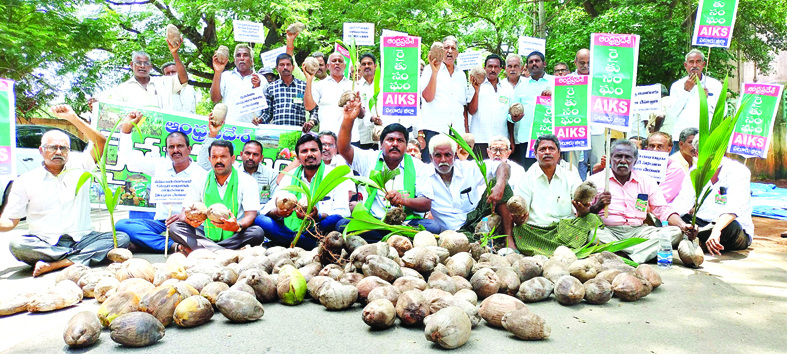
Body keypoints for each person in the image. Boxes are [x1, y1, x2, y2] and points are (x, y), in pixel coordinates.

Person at [0, 105, 130, 277]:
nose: (58, 152)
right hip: (46, 243)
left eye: (64, 148)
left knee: (121, 238)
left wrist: (73, 119)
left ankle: (55, 265)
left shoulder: (80, 165)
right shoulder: (25, 181)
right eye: (53, 147)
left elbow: (101, 143)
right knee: (17, 245)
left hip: (83, 239)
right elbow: (11, 220)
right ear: (42, 151)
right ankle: (78, 259)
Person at [337, 96, 440, 241]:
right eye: (390, 140)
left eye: (400, 141)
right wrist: (348, 120)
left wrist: (404, 200)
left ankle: (382, 239)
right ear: (381, 143)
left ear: (406, 145)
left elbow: (426, 203)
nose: (395, 144)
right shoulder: (369, 159)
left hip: (405, 223)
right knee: (341, 225)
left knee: (432, 226)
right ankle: (393, 239)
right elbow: (343, 149)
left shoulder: (417, 166)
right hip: (373, 221)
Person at [586, 140, 696, 263]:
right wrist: (598, 205)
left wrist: (683, 226)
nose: (623, 161)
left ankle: (622, 254)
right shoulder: (594, 181)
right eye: (618, 156)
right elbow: (581, 214)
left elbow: (662, 209)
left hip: (638, 231)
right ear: (610, 159)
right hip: (608, 231)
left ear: (635, 161)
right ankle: (639, 254)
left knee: (676, 231)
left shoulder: (646, 181)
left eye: (628, 157)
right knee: (592, 234)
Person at [115, 111, 207, 252]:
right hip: (161, 223)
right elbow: (128, 158)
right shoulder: (160, 166)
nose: (175, 150)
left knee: (196, 232)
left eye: (180, 146)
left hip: (187, 225)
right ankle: (172, 246)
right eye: (171, 147)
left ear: (189, 149)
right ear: (166, 150)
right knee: (122, 224)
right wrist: (126, 130)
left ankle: (149, 243)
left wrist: (185, 217)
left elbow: (203, 209)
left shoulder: (200, 174)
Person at [255, 134, 354, 249]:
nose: (309, 154)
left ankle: (290, 242)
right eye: (304, 151)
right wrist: (277, 212)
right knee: (261, 220)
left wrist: (318, 216)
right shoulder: (289, 177)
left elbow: (344, 212)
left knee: (335, 220)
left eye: (313, 150)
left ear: (321, 154)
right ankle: (306, 243)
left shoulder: (334, 176)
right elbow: (267, 209)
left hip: (319, 228)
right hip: (291, 230)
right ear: (298, 157)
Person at [510, 134, 602, 255]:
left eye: (551, 149)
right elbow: (521, 209)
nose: (547, 152)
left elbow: (580, 205)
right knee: (519, 230)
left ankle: (548, 252)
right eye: (542, 149)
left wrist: (584, 209)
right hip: (535, 231)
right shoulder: (526, 178)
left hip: (565, 229)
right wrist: (519, 218)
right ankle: (569, 251)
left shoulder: (570, 176)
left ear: (559, 153)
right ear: (535, 154)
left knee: (591, 219)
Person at [169, 140, 264, 253]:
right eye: (214, 157)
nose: (218, 161)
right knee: (175, 228)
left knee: (257, 232)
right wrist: (190, 221)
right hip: (205, 231)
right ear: (210, 159)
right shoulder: (200, 180)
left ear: (232, 159)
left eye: (223, 157)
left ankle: (203, 249)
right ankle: (225, 252)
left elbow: (251, 215)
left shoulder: (248, 181)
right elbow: (183, 213)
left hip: (235, 232)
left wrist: (237, 225)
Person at [426, 134, 514, 243]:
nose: (443, 160)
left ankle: (509, 240)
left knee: (499, 181)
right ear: (430, 157)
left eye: (447, 155)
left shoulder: (468, 168)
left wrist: (499, 186)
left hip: (477, 219)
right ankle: (489, 241)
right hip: (455, 232)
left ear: (454, 156)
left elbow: (503, 166)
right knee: (466, 242)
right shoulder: (424, 176)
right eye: (438, 155)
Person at [672, 156, 753, 255]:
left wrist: (716, 230)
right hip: (700, 224)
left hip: (727, 228)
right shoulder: (695, 171)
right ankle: (695, 238)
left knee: (732, 227)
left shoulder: (738, 171)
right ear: (697, 153)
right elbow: (682, 204)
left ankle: (690, 238)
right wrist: (680, 223)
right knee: (675, 217)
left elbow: (735, 207)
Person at [198, 120, 278, 206]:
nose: (250, 157)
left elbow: (273, 200)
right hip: (235, 212)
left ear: (261, 158)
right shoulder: (232, 170)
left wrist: (257, 212)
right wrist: (212, 134)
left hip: (261, 215)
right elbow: (203, 165)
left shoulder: (271, 174)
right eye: (247, 153)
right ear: (241, 154)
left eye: (255, 154)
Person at [419, 35, 472, 163]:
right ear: (441, 51)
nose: (449, 51)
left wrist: (465, 132)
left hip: (456, 131)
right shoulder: (429, 70)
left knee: (453, 168)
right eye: (446, 48)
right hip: (434, 128)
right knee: (431, 168)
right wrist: (435, 72)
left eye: (453, 48)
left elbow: (463, 105)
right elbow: (427, 97)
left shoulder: (461, 75)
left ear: (457, 54)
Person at [103, 38, 188, 110]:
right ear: (132, 65)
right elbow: (115, 113)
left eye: (146, 63)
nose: (142, 66)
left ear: (151, 67)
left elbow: (183, 79)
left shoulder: (163, 82)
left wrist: (175, 53)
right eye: (138, 63)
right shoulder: (122, 89)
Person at [666, 49, 722, 152]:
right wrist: (686, 91)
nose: (694, 65)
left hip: (706, 136)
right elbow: (671, 113)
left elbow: (722, 112)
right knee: (679, 167)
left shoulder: (715, 85)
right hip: (681, 138)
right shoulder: (677, 86)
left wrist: (706, 100)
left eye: (698, 61)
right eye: (691, 62)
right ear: (685, 65)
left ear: (703, 64)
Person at [510, 51, 553, 169]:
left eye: (537, 61)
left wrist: (554, 96)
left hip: (551, 138)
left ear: (544, 63)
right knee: (530, 174)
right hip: (528, 139)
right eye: (530, 62)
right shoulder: (521, 87)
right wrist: (514, 117)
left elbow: (565, 105)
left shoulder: (555, 83)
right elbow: (511, 113)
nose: (534, 64)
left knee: (551, 173)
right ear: (527, 66)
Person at [468, 54, 514, 160]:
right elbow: (471, 110)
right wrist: (476, 90)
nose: (492, 70)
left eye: (496, 67)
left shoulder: (507, 88)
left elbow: (510, 117)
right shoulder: (475, 85)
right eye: (490, 66)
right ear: (485, 68)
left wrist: (511, 139)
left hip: (501, 141)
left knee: (499, 174)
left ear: (501, 69)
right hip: (480, 139)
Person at [304, 52, 357, 143]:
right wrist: (309, 79)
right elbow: (309, 106)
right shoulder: (319, 85)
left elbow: (362, 113)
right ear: (328, 66)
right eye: (334, 61)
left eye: (340, 61)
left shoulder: (353, 85)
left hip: (351, 138)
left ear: (344, 66)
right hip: (327, 138)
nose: (337, 63)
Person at [257, 53, 314, 132]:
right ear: (277, 68)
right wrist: (260, 120)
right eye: (282, 65)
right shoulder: (270, 88)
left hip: (299, 132)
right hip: (278, 133)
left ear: (293, 67)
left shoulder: (304, 86)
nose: (285, 67)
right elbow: (268, 113)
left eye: (288, 64)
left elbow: (314, 109)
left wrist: (311, 121)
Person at [209, 44, 263, 123]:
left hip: (253, 129)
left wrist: (257, 88)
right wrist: (217, 71)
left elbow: (267, 108)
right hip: (229, 128)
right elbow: (215, 99)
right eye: (238, 55)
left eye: (245, 55)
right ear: (234, 61)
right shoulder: (225, 76)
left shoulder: (262, 79)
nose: (241, 58)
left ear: (252, 61)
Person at [568, 48, 597, 181]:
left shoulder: (600, 79)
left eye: (589, 62)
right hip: (574, 127)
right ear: (575, 63)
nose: (586, 66)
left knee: (598, 163)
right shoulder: (567, 80)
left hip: (597, 126)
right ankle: (573, 194)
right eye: (582, 63)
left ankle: (598, 196)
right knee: (572, 165)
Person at [645, 132, 685, 203]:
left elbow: (660, 199)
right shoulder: (640, 166)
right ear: (647, 148)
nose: (655, 150)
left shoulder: (675, 169)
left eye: (660, 146)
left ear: (669, 149)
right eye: (651, 146)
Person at [357, 53, 382, 150]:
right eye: (364, 64)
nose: (366, 66)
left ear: (375, 66)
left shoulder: (383, 85)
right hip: (362, 135)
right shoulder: (356, 86)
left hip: (381, 134)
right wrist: (371, 118)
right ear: (360, 67)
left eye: (369, 63)